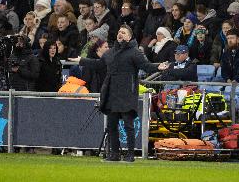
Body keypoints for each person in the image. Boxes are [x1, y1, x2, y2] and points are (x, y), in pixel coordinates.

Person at [69, 24, 169, 162]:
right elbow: (99, 64)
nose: (120, 34)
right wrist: (82, 60)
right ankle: (114, 154)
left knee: (128, 125)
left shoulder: (135, 52)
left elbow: (145, 66)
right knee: (111, 126)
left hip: (127, 93)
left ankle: (130, 155)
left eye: (123, 32)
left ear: (129, 37)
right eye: (119, 31)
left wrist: (158, 66)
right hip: (112, 94)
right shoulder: (110, 53)